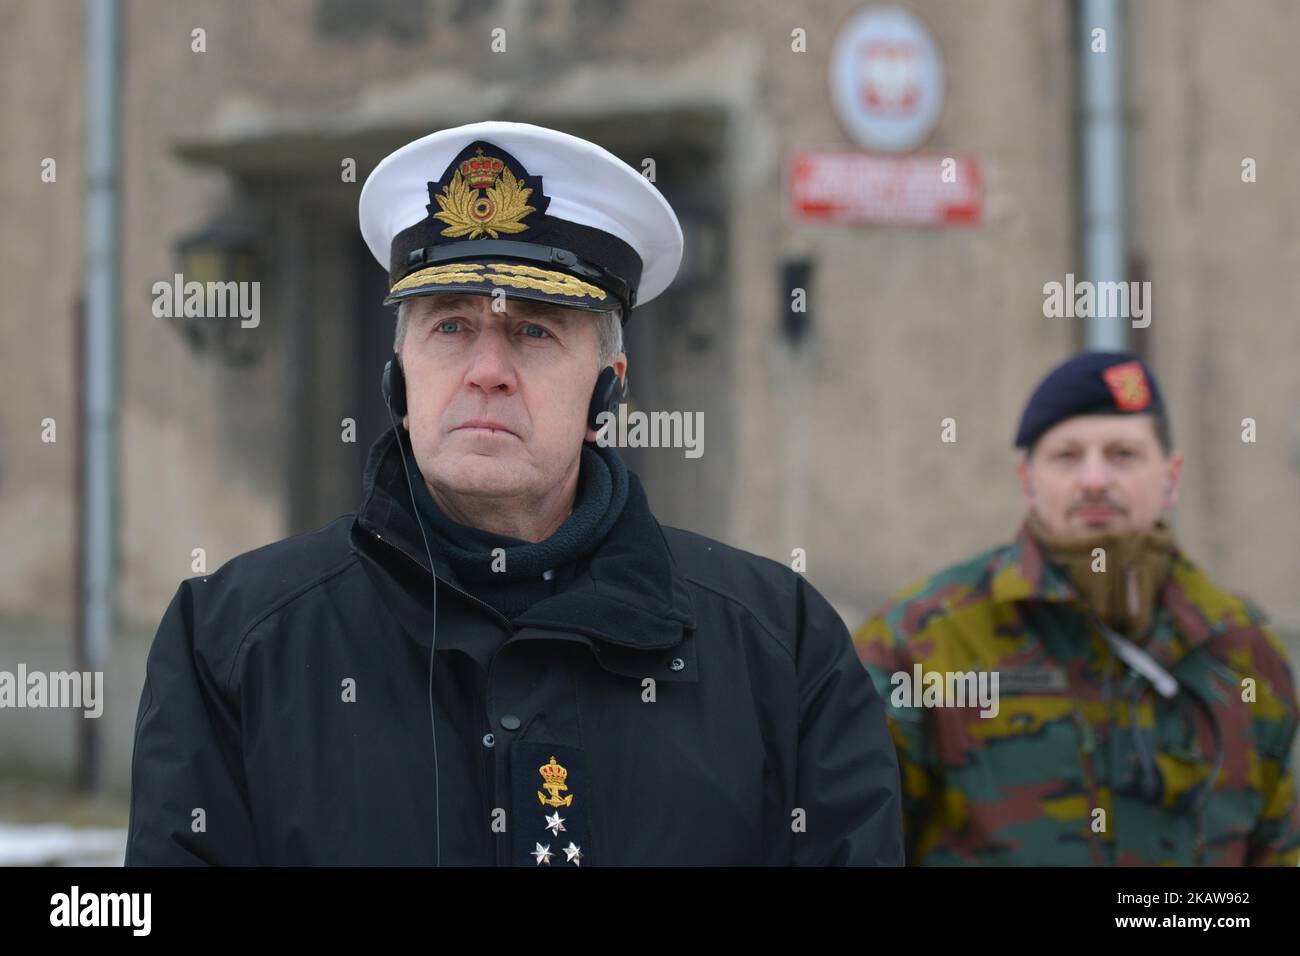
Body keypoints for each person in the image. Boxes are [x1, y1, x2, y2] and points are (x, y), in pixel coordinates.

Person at [125, 121, 903, 866]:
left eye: (535, 331)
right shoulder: (230, 641)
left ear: (608, 390)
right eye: (451, 326)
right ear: (399, 378)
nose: (487, 369)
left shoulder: (780, 645)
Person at [854, 351, 1299, 865]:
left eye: (1122, 454)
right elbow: (858, 842)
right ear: (1027, 480)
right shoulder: (922, 642)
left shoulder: (1238, 647)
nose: (1094, 479)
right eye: (1066, 456)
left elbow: (1278, 844)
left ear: (1171, 477)